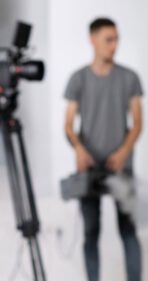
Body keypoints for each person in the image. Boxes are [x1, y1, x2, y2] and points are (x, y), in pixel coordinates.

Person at [64, 18, 143, 281]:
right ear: (93, 39)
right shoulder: (78, 78)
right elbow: (68, 125)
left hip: (120, 166)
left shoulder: (129, 77)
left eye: (117, 39)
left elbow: (137, 123)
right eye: (109, 39)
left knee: (129, 231)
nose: (114, 45)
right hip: (89, 167)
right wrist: (79, 150)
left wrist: (122, 153)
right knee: (91, 233)